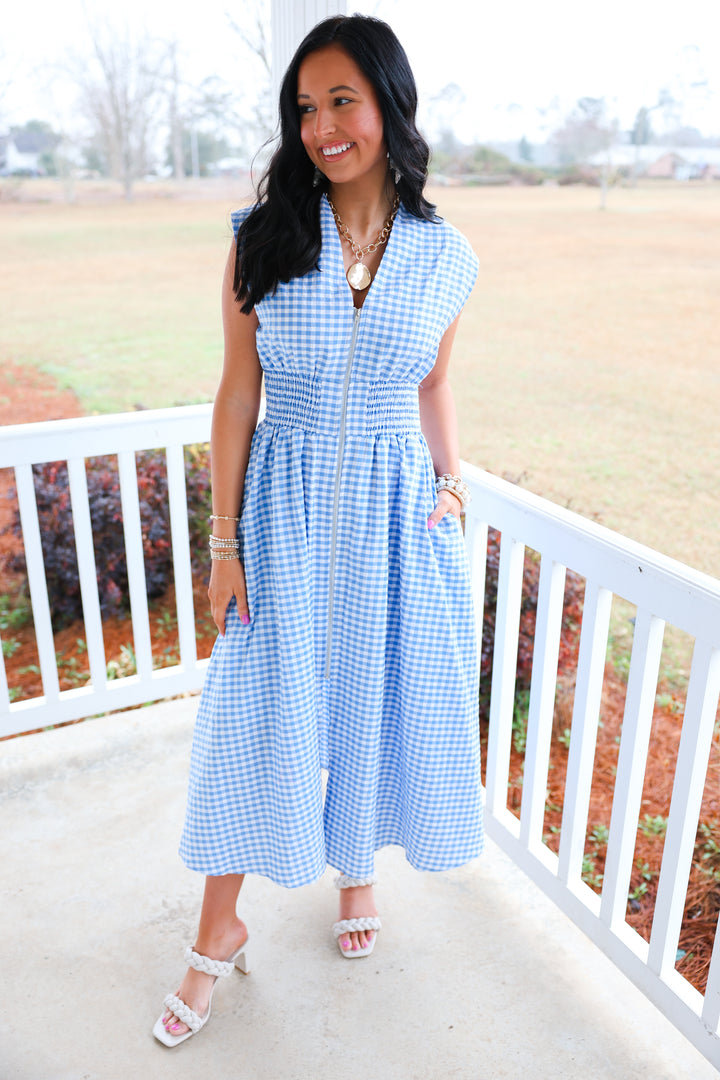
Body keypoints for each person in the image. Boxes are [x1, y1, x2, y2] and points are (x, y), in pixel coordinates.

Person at [153, 14, 483, 1047]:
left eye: (342, 99)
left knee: (373, 700)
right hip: (284, 518)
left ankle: (356, 875)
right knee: (254, 724)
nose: (323, 125)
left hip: (396, 518)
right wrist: (223, 545)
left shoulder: (446, 256)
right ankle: (216, 934)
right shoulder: (263, 240)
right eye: (305, 107)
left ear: (388, 102)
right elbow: (234, 396)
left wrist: (452, 482)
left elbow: (433, 380)